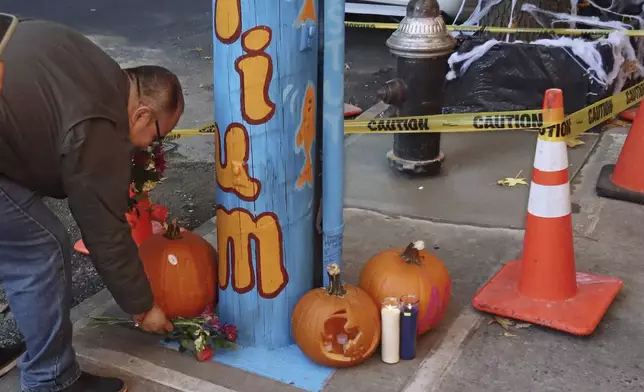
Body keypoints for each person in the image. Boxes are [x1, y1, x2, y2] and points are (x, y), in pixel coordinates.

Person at [0, 19, 184, 392]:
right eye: (157, 136)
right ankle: (52, 380)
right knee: (42, 249)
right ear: (143, 114)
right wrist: (143, 306)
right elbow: (105, 232)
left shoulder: (97, 68)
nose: (150, 146)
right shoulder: (100, 124)